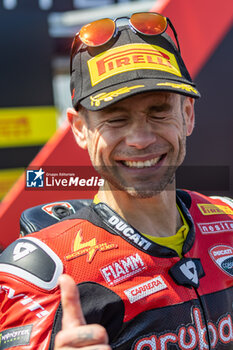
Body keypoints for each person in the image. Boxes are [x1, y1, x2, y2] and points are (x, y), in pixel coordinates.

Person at [0, 12, 233, 350]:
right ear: (80, 129)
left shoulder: (226, 221)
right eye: (116, 118)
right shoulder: (43, 272)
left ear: (188, 115)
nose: (139, 139)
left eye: (158, 111)